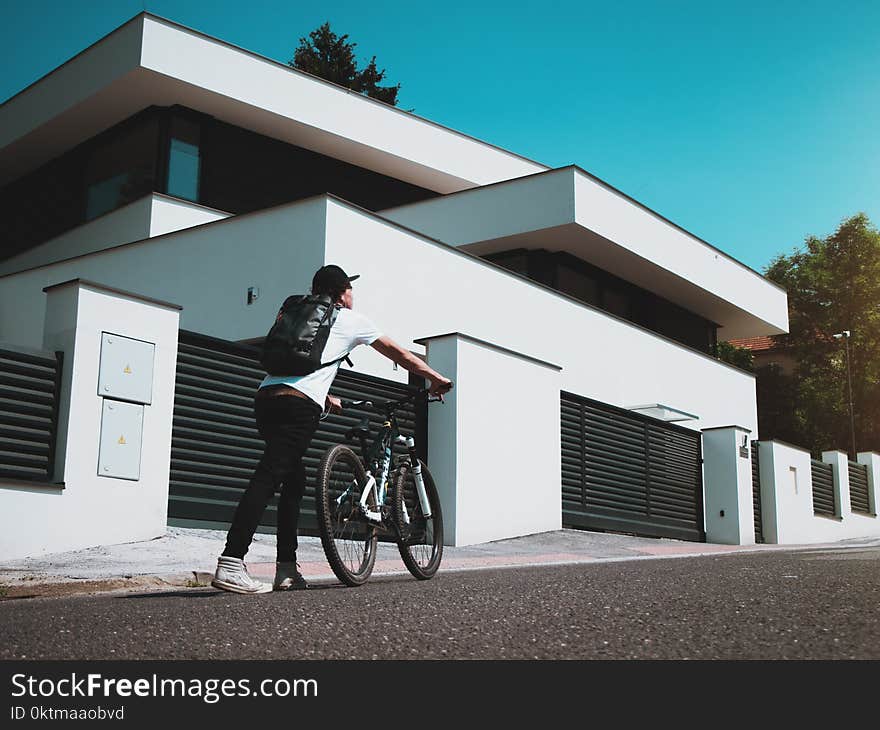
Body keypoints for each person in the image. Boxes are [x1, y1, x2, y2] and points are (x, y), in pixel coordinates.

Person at [212, 264, 453, 594]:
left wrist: (325, 395)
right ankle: (231, 562)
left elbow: (296, 366)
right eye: (351, 290)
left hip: (267, 398)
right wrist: (435, 377)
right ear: (342, 293)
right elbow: (397, 352)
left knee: (293, 481)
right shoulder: (351, 320)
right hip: (299, 407)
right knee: (269, 475)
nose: (353, 295)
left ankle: (286, 569)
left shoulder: (301, 314)